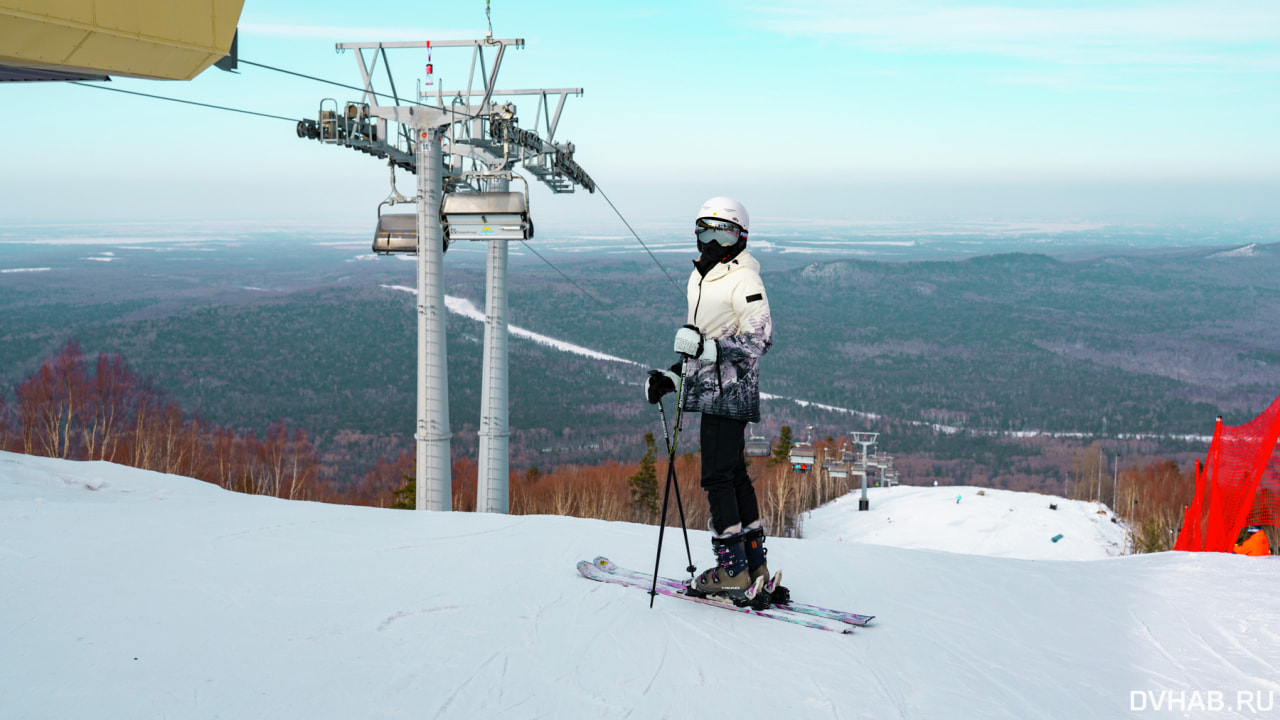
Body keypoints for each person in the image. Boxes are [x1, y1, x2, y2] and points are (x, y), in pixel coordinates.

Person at [645, 196, 785, 606]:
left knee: (717, 478)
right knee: (733, 475)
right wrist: (672, 376)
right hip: (711, 389)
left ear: (741, 236)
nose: (711, 240)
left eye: (721, 231)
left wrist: (705, 349)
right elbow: (701, 340)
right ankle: (753, 565)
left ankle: (732, 570)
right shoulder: (705, 276)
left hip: (732, 391)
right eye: (704, 230)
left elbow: (759, 341)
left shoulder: (744, 280)